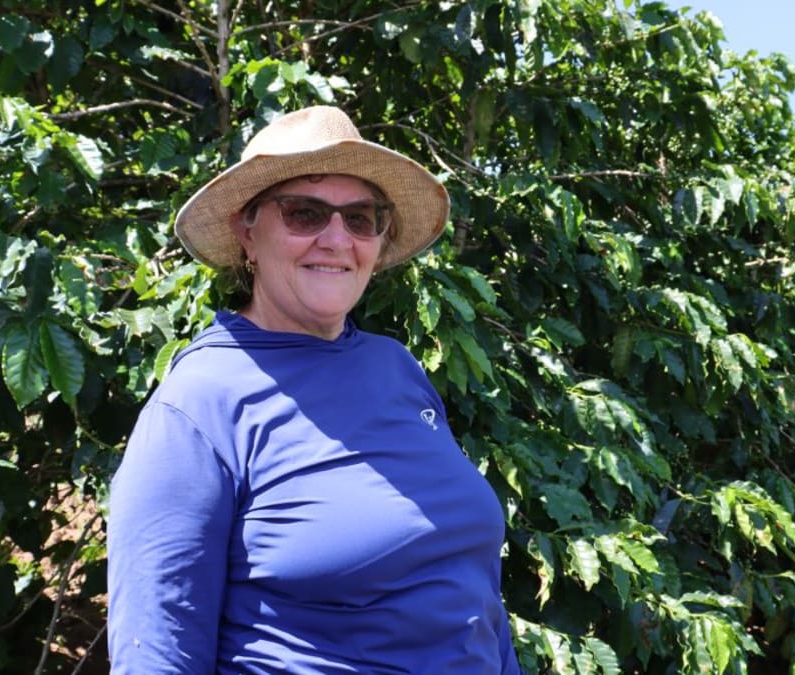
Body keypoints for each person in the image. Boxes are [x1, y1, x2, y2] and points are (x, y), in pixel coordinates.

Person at [106, 105, 523, 674]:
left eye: (360, 218)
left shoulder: (396, 368)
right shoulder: (200, 404)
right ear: (246, 231)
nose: (335, 239)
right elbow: (156, 651)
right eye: (304, 213)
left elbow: (472, 595)